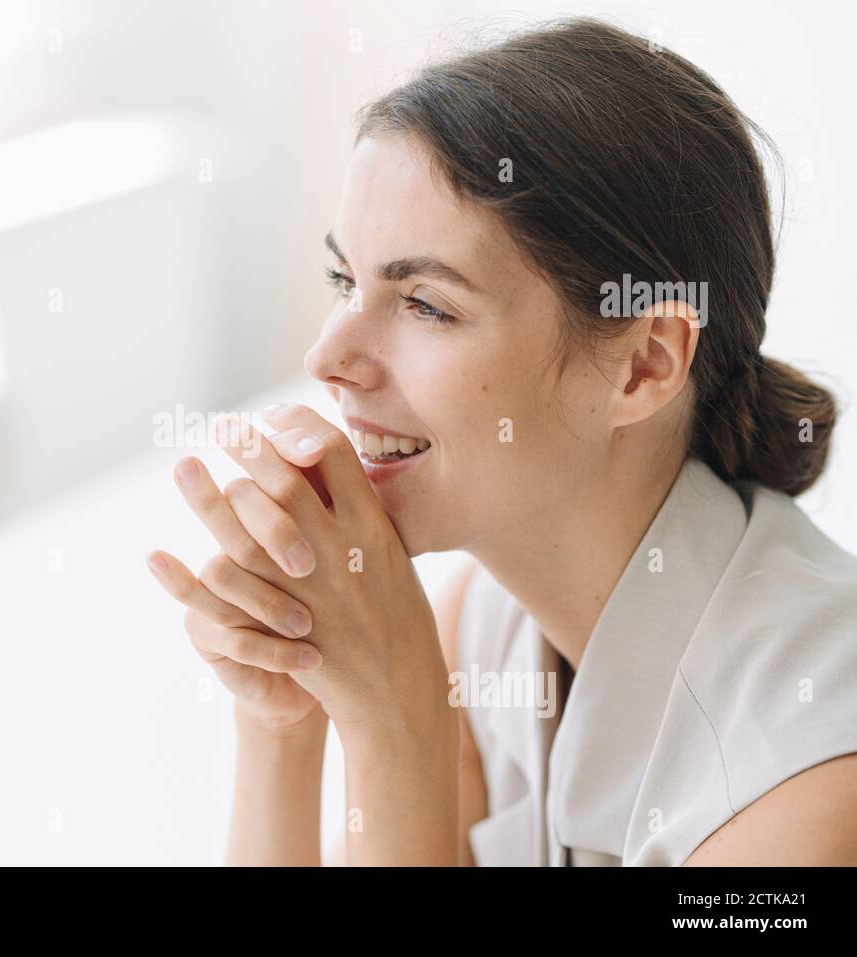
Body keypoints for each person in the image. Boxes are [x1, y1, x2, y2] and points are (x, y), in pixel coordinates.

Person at [146, 17, 857, 866]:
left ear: (643, 365)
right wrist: (282, 727)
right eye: (347, 281)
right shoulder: (488, 629)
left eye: (426, 305)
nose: (327, 358)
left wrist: (395, 727)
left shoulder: (816, 775)